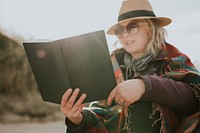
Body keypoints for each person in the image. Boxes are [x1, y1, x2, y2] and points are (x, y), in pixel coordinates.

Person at [60, 0, 200, 132]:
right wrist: (78, 119)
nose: (125, 34)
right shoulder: (113, 64)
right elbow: (105, 110)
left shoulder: (173, 58)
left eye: (132, 27)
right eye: (120, 31)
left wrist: (146, 86)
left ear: (151, 28)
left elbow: (194, 97)